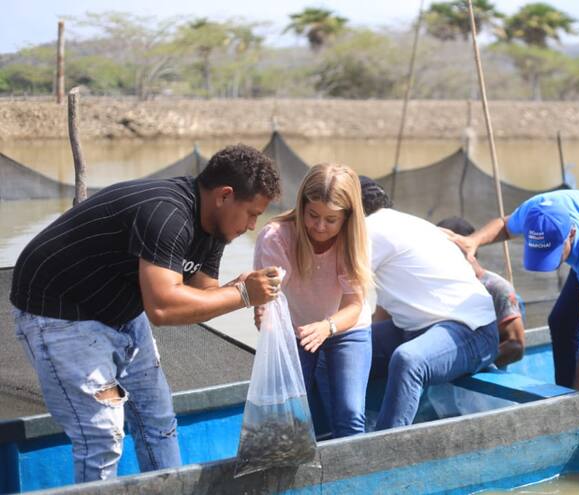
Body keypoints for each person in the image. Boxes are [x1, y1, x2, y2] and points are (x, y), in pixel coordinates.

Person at [8, 144, 282, 483]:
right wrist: (241, 295)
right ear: (225, 195)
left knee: (159, 421)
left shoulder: (215, 226)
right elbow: (164, 307)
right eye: (253, 213)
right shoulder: (167, 213)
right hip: (61, 313)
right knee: (102, 435)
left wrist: (234, 289)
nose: (253, 225)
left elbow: (202, 295)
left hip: (120, 309)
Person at [447, 190, 579, 390]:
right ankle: (563, 393)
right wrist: (472, 241)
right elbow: (504, 225)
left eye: (554, 253)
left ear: (571, 234)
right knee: (561, 322)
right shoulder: (536, 210)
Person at [359, 176, 499, 430]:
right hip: (415, 329)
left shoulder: (369, 229)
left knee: (408, 360)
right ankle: (342, 431)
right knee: (346, 344)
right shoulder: (401, 221)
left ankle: (382, 451)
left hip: (471, 331)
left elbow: (339, 293)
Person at [252, 163, 372, 438]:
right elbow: (268, 298)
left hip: (346, 329)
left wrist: (327, 327)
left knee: (351, 413)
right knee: (288, 413)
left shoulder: (354, 240)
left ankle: (351, 475)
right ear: (302, 206)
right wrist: (264, 318)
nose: (319, 227)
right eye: (313, 215)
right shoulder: (277, 237)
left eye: (331, 220)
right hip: (296, 332)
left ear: (348, 218)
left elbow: (354, 306)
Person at [436, 216, 526, 367]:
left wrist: (468, 363)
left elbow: (516, 346)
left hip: (484, 379)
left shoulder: (496, 288)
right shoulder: (436, 284)